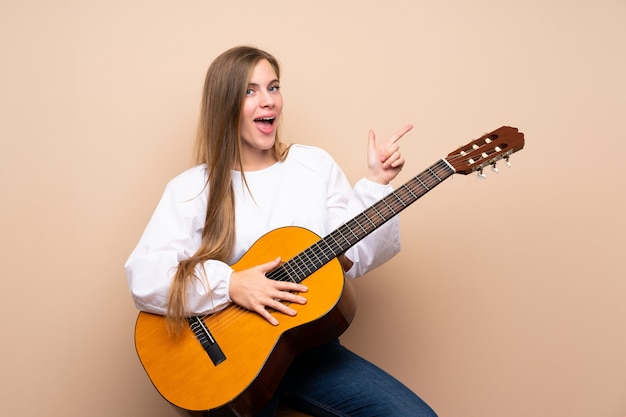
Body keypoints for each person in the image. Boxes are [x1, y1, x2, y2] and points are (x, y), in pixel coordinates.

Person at [125, 45, 437, 417]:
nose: (268, 101)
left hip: (310, 350)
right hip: (230, 365)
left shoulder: (312, 165)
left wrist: (375, 184)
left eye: (273, 87)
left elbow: (355, 256)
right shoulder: (192, 188)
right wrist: (232, 285)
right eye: (250, 91)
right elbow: (144, 277)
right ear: (224, 105)